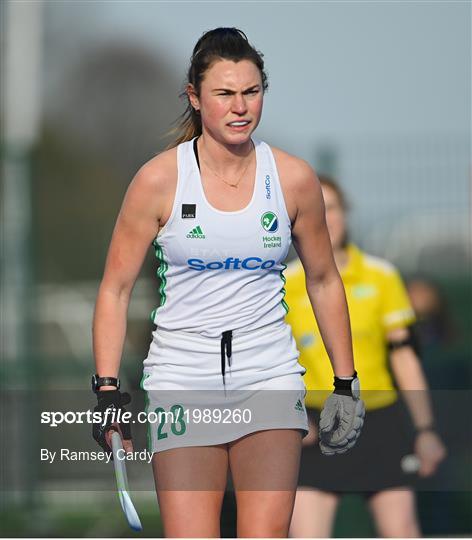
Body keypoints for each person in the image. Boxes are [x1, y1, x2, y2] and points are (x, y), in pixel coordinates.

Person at [91, 28, 364, 538]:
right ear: (195, 98)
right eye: (224, 93)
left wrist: (346, 385)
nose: (240, 107)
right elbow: (114, 289)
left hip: (268, 373)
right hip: (182, 375)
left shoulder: (292, 178)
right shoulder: (158, 180)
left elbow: (324, 280)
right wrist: (107, 391)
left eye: (251, 91)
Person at [286, 176, 447, 538]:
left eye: (332, 208)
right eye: (314, 210)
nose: (325, 219)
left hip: (379, 419)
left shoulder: (382, 276)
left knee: (402, 529)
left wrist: (425, 430)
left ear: (346, 214)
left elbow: (404, 358)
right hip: (314, 426)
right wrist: (290, 416)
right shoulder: (283, 283)